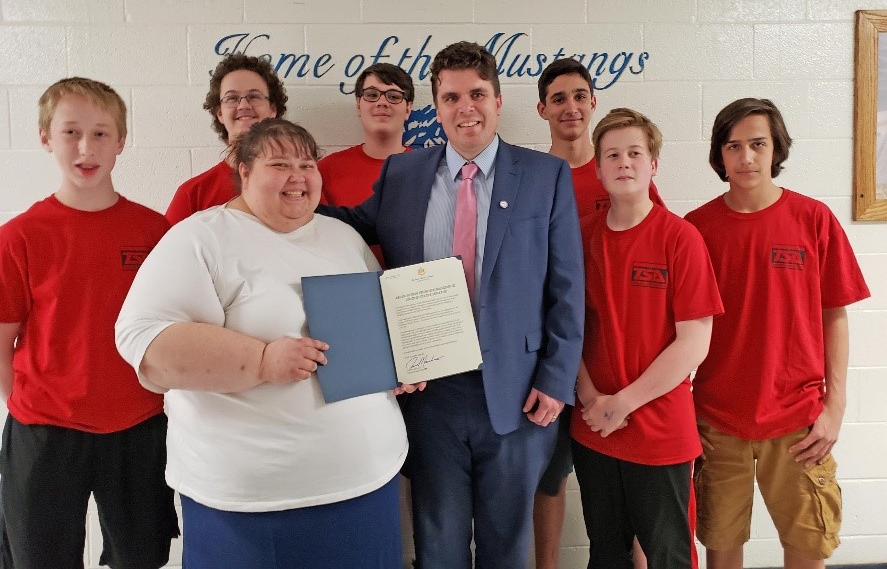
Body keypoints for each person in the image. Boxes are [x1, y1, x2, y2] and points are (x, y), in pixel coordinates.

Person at [319, 41, 584, 568]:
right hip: (431, 393)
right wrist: (281, 198)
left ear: (499, 99)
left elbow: (568, 285)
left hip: (517, 392)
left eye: (478, 94)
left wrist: (556, 379)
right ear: (436, 107)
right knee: (437, 543)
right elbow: (348, 227)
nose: (466, 107)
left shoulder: (544, 176)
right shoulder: (402, 174)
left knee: (507, 546)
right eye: (452, 96)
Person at [116, 119, 414, 568]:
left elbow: (377, 326)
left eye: (307, 164)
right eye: (280, 164)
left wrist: (396, 367)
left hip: (366, 483)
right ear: (244, 171)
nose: (298, 176)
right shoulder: (201, 238)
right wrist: (260, 360)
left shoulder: (344, 237)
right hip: (251, 506)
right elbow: (146, 345)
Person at [0, 77, 178, 568]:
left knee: (142, 555)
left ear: (121, 141)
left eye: (101, 133)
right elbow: (3, 341)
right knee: (40, 558)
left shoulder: (153, 230)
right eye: (71, 132)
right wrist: (28, 403)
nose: (86, 147)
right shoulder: (20, 236)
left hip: (140, 424)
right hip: (45, 429)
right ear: (45, 138)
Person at [685, 98, 871, 569]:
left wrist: (835, 405)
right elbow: (678, 330)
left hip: (798, 420)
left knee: (809, 547)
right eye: (734, 146)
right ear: (719, 156)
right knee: (721, 544)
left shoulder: (813, 220)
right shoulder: (696, 231)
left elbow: (835, 315)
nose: (746, 157)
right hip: (716, 419)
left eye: (757, 144)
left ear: (776, 149)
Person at [570, 108, 723, 569]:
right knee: (606, 554)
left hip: (659, 432)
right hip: (594, 426)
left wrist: (625, 402)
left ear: (653, 164)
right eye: (612, 154)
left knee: (669, 556)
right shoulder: (580, 238)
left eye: (635, 153)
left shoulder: (681, 238)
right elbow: (567, 329)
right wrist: (591, 396)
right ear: (596, 168)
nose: (624, 163)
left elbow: (694, 343)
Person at [534, 58, 663, 569]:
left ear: (593, 103)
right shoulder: (531, 176)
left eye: (580, 96)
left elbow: (656, 256)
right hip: (552, 355)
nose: (571, 107)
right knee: (549, 475)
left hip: (616, 361)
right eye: (559, 98)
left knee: (628, 478)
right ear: (542, 108)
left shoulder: (623, 173)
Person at [164, 53, 287, 224]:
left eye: (254, 96)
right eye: (232, 98)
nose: (244, 105)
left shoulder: (299, 186)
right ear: (220, 113)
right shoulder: (193, 195)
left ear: (272, 109)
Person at [319, 62, 414, 265]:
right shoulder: (325, 170)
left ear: (408, 108)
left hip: (415, 290)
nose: (382, 102)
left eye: (394, 96)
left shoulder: (428, 170)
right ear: (358, 105)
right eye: (372, 95)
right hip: (351, 288)